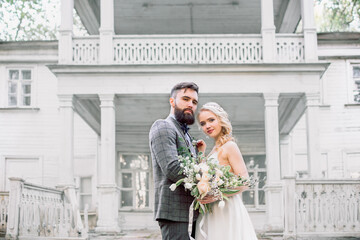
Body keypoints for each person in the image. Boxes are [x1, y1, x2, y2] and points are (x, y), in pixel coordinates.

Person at [195, 102, 258, 240]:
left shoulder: (230, 146)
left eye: (211, 120)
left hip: (226, 209)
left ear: (221, 119)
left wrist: (216, 194)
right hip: (212, 210)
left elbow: (245, 182)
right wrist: (201, 154)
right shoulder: (213, 150)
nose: (207, 126)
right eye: (203, 123)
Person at [149, 82, 200, 240]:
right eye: (186, 99)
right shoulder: (163, 126)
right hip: (174, 213)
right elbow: (172, 168)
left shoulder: (186, 135)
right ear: (172, 101)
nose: (190, 104)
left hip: (191, 212)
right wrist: (206, 182)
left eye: (194, 102)